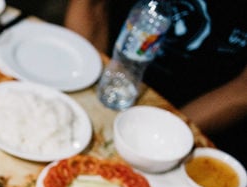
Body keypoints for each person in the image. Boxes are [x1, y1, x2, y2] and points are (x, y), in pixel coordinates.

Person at [64, 0, 247, 163]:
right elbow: (91, 5)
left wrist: (164, 134)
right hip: (115, 70)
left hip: (201, 105)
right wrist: (81, 80)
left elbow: (243, 90)